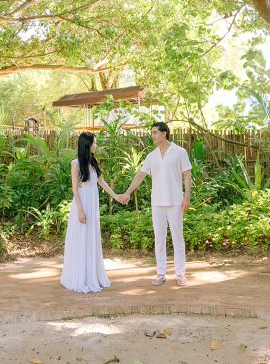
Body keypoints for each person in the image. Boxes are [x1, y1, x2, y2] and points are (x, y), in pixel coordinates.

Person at [118, 121, 192, 286]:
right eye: (152, 133)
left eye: (155, 132)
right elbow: (140, 175)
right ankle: (161, 273)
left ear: (164, 133)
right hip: (157, 202)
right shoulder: (152, 155)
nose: (153, 136)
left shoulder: (180, 152)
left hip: (175, 201)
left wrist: (186, 198)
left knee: (177, 239)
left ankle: (180, 274)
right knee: (159, 239)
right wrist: (128, 192)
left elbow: (187, 176)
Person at [60, 131, 125, 293]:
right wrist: (80, 211)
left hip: (93, 204)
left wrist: (116, 196)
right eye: (94, 143)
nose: (96, 145)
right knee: (82, 238)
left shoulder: (93, 162)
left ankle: (92, 275)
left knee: (91, 238)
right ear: (87, 145)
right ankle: (81, 277)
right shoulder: (75, 164)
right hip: (82, 205)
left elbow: (101, 182)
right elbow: (75, 189)